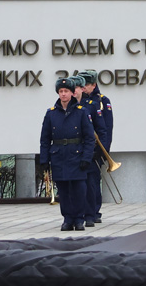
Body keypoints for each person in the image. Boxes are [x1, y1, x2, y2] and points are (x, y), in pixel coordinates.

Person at [39, 77, 96, 230]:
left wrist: (86, 157)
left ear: (72, 93)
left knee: (79, 189)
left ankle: (79, 219)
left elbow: (90, 138)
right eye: (61, 91)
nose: (63, 94)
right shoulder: (51, 114)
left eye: (66, 91)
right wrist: (44, 159)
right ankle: (67, 219)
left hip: (76, 154)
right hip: (58, 155)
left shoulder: (81, 112)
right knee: (63, 190)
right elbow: (45, 139)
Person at [78, 70, 112, 227]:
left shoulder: (102, 101)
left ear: (94, 85)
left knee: (93, 182)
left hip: (96, 148)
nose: (83, 88)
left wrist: (104, 151)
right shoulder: (77, 101)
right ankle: (86, 211)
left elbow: (106, 128)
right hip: (82, 149)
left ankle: (95, 211)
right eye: (82, 85)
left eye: (86, 85)